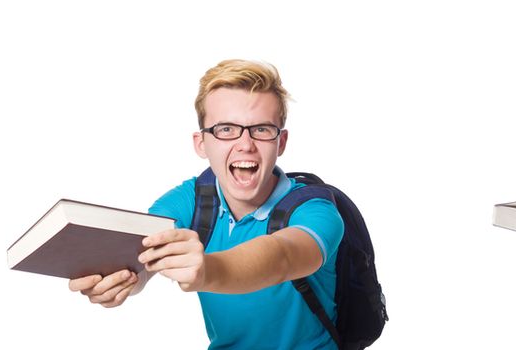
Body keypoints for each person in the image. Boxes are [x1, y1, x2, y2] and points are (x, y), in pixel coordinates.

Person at [67, 59, 346, 349]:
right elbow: (143, 252)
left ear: (281, 142)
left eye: (261, 129)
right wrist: (122, 281)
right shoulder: (191, 200)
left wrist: (208, 271)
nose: (245, 144)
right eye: (226, 129)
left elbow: (282, 257)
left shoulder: (316, 210)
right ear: (201, 143)